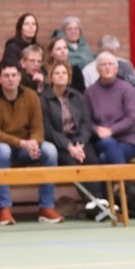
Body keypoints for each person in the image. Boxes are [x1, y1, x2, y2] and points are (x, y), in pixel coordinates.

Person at [0, 61, 63, 225]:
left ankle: (46, 207)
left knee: (50, 150)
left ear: (19, 77)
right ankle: (3, 207)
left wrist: (33, 143)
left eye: (14, 75)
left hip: (24, 146)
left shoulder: (31, 96)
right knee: (3, 151)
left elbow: (38, 129)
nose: (10, 79)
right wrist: (22, 143)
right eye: (6, 76)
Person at [40, 61, 104, 211]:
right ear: (51, 77)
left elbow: (86, 124)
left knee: (92, 159)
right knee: (73, 164)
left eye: (64, 73)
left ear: (69, 77)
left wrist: (79, 144)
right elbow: (48, 130)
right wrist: (69, 147)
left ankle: (100, 201)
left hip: (79, 141)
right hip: (60, 144)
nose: (61, 76)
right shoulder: (43, 100)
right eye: (57, 73)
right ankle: (92, 205)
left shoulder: (78, 97)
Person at [84, 53, 135, 166]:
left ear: (116, 69)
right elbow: (86, 120)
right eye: (103, 65)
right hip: (101, 141)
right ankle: (124, 178)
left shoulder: (126, 89)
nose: (107, 67)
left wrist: (111, 130)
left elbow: (131, 118)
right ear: (97, 69)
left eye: (110, 64)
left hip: (126, 141)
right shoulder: (90, 92)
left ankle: (121, 177)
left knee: (104, 158)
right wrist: (96, 129)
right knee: (108, 143)